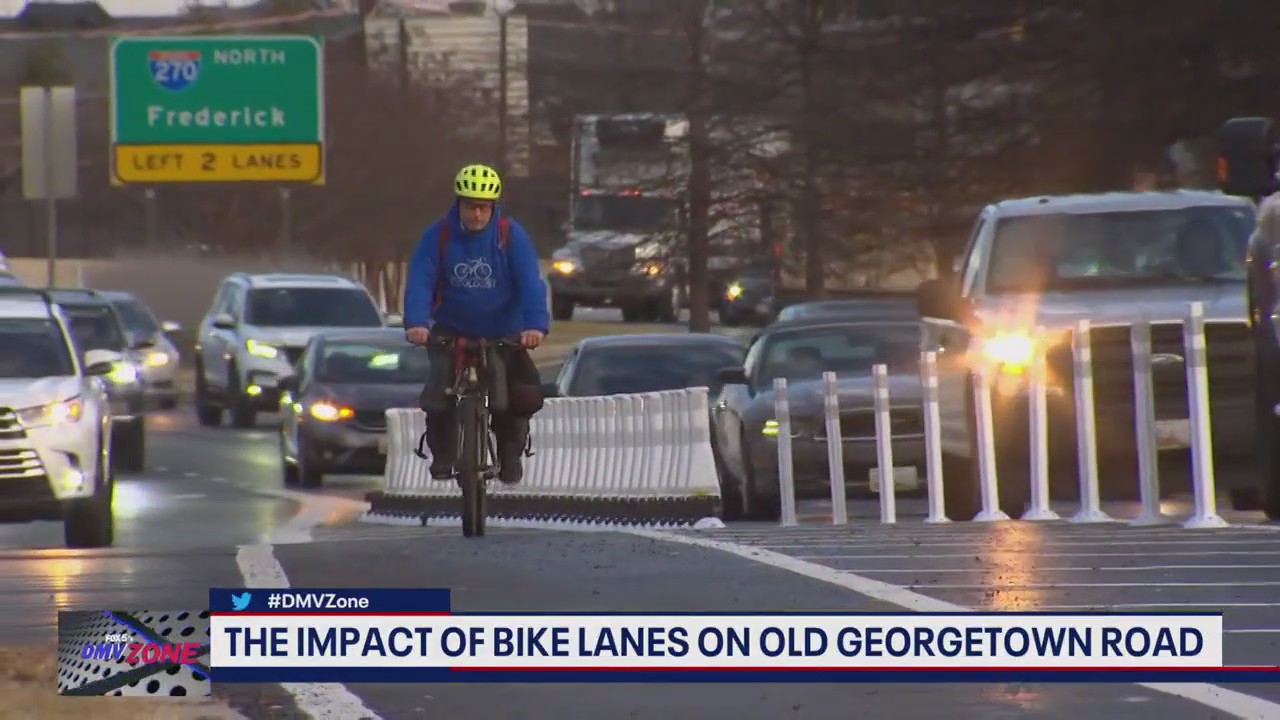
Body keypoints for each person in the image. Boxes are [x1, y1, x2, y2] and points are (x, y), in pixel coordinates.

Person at [402, 164, 550, 485]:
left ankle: (510, 456)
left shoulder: (511, 236)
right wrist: (417, 322)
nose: (477, 214)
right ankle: (443, 454)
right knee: (438, 397)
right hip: (451, 332)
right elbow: (420, 282)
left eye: (484, 207)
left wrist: (535, 326)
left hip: (503, 334)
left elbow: (530, 283)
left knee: (517, 397)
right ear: (459, 204)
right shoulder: (438, 236)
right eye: (471, 206)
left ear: (494, 207)